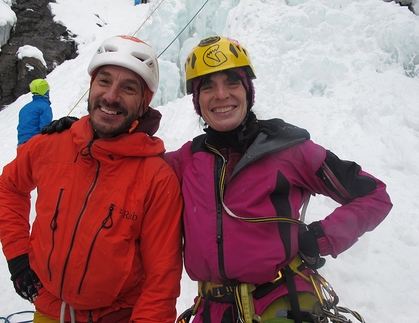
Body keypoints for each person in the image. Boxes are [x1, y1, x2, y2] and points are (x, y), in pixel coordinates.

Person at [41, 35, 393, 323]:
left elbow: (374, 195)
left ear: (248, 91)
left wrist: (321, 237)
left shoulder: (291, 150)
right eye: (207, 86)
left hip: (282, 302)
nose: (221, 95)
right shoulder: (183, 162)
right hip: (213, 310)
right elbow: (127, 166)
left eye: (232, 83)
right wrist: (84, 134)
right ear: (197, 101)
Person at [0, 35, 183, 323]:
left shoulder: (156, 178)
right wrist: (19, 256)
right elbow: (10, 187)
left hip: (117, 316)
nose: (111, 96)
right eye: (104, 81)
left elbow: (162, 279)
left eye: (128, 87)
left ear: (144, 103)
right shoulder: (50, 146)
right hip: (49, 310)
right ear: (91, 86)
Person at [17, 78, 53, 146]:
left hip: (21, 145)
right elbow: (45, 129)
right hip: (35, 144)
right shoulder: (44, 107)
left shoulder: (24, 108)